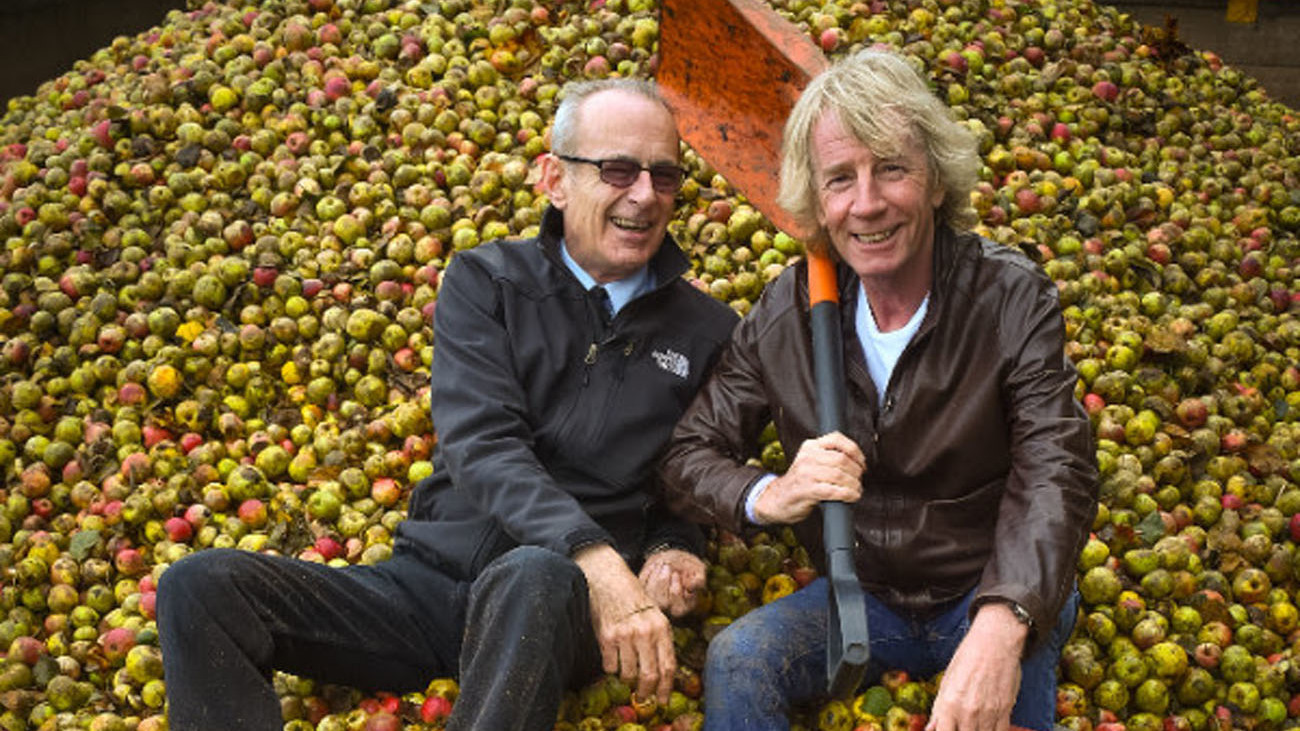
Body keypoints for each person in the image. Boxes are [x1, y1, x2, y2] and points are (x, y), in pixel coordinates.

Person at [157, 78, 738, 731]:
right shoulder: (487, 280)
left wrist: (672, 550)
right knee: (199, 584)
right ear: (553, 178)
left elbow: (687, 484)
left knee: (534, 574)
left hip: (556, 611)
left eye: (664, 175)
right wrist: (594, 553)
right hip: (425, 587)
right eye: (618, 169)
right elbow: (481, 444)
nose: (644, 194)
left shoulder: (709, 331)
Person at [659, 49, 1098, 731]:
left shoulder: (1011, 297)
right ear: (817, 201)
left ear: (937, 182)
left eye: (891, 168)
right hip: (859, 596)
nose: (866, 203)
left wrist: (1005, 623)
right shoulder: (790, 311)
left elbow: (1057, 466)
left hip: (989, 586)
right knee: (738, 657)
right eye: (840, 178)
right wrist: (767, 493)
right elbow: (688, 455)